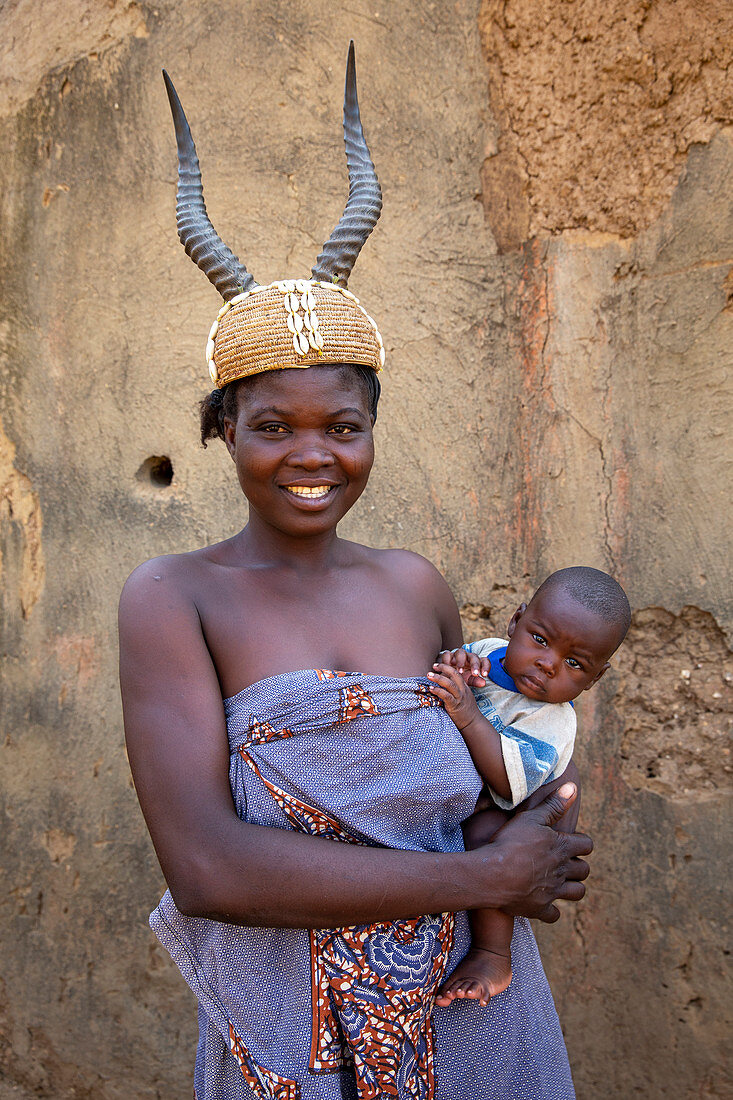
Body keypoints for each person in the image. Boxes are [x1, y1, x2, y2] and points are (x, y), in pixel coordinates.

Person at [119, 45, 592, 1099]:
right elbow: (206, 869)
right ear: (222, 431)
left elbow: (486, 770)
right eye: (271, 424)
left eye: (342, 424)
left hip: (473, 1009)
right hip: (295, 1030)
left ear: (372, 430)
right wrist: (481, 873)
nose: (310, 456)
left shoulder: (412, 586)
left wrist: (538, 829)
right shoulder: (173, 597)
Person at [425, 567, 630, 1008]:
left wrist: (467, 714)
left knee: (488, 844)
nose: (548, 663)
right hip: (455, 804)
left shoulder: (552, 719)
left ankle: (493, 954)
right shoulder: (489, 653)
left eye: (575, 664)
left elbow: (505, 780)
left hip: (506, 816)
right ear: (515, 623)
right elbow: (445, 672)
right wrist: (457, 662)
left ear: (595, 678)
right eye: (540, 639)